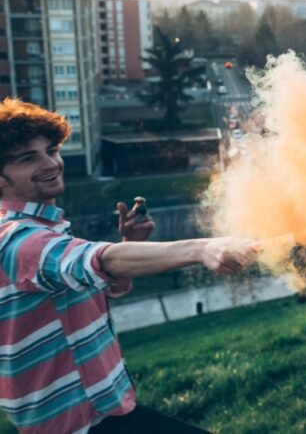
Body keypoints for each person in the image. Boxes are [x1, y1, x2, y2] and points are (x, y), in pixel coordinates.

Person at [0, 99, 260, 433]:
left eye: (51, 150)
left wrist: (128, 247)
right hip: (80, 425)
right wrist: (202, 247)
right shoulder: (16, 238)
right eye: (28, 158)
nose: (51, 163)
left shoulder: (42, 229)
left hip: (109, 411)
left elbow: (89, 285)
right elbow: (95, 259)